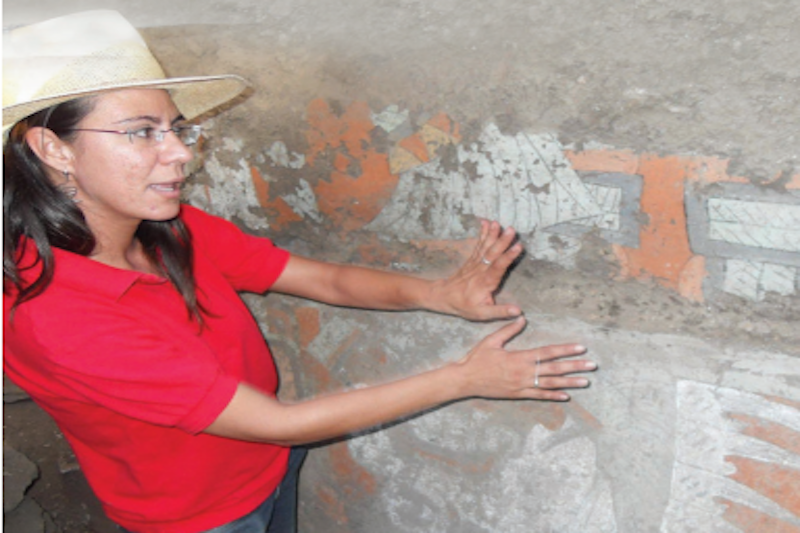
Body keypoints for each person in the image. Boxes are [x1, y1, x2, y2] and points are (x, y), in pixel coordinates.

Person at [2, 10, 597, 533]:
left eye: (177, 128)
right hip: (195, 516)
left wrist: (438, 293)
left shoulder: (168, 228)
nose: (180, 152)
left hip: (267, 467)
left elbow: (321, 279)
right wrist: (463, 379)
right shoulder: (51, 314)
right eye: (141, 132)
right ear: (53, 149)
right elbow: (278, 422)